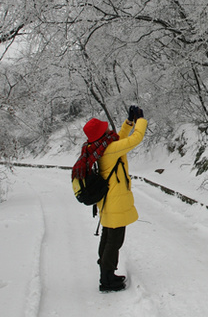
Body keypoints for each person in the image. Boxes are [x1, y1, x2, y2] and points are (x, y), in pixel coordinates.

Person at [72, 105, 147, 292]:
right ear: (100, 132)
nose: (108, 128)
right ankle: (107, 280)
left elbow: (119, 139)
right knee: (114, 241)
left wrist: (128, 122)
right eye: (105, 127)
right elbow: (135, 139)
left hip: (107, 202)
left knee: (107, 238)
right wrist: (140, 121)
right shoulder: (109, 149)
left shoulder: (97, 147)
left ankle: (105, 273)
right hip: (115, 202)